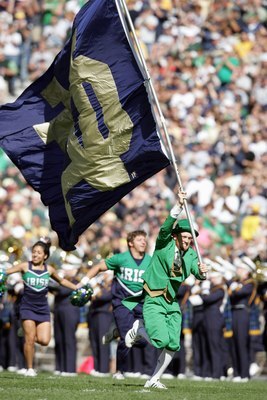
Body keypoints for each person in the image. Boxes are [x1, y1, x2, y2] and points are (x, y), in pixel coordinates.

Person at [124, 189, 208, 389]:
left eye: (190, 239)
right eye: (185, 237)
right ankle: (138, 329)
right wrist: (178, 205)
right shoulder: (164, 243)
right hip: (154, 297)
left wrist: (203, 271)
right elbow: (166, 226)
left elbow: (198, 273)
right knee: (160, 340)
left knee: (173, 344)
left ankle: (154, 379)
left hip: (171, 301)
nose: (188, 241)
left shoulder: (191, 255)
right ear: (177, 236)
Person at [81, 230, 156, 378]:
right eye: (140, 239)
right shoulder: (121, 259)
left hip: (142, 304)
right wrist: (82, 283)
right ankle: (119, 370)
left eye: (144, 240)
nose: (143, 242)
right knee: (127, 336)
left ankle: (117, 333)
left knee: (145, 341)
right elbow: (98, 267)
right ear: (130, 243)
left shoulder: (150, 261)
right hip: (122, 304)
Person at [4, 238, 79, 376]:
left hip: (43, 309)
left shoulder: (49, 269)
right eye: (34, 252)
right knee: (30, 340)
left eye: (39, 253)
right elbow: (6, 272)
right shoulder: (24, 266)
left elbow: (61, 281)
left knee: (44, 340)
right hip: (27, 307)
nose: (35, 255)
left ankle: (27, 334)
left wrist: (77, 287)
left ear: (45, 256)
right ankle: (30, 368)